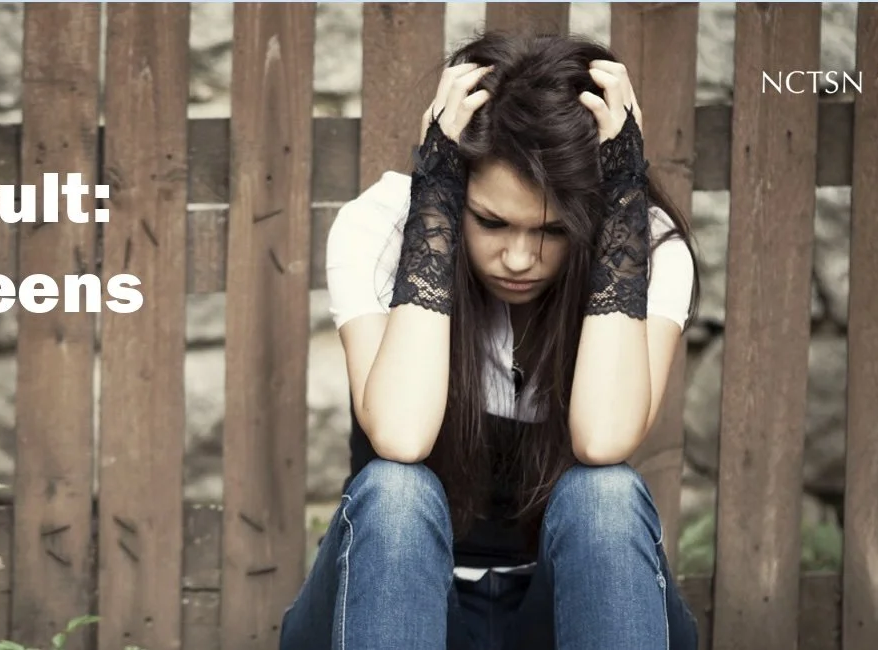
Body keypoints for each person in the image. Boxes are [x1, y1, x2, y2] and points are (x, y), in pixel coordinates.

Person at [280, 30, 701, 650]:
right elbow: (401, 434)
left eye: (554, 230)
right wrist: (439, 196)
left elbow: (604, 437)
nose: (520, 257)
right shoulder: (381, 226)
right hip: (398, 606)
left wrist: (619, 205)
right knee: (396, 494)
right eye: (491, 221)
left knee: (605, 495)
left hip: (555, 615)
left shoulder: (641, 245)